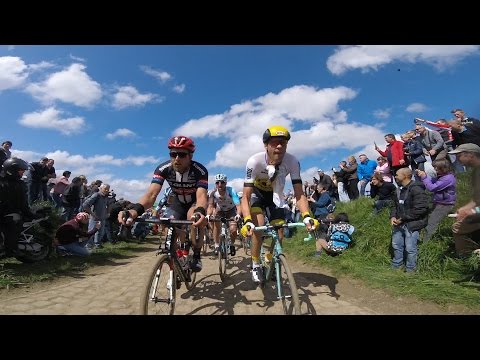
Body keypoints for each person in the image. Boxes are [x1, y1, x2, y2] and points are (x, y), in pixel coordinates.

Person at [240, 125, 319, 284]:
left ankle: (271, 257)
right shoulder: (254, 161)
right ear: (266, 145)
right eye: (274, 142)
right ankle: (255, 262)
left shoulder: (292, 161)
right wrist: (247, 219)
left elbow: (299, 193)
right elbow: (246, 196)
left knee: (280, 232)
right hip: (257, 194)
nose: (279, 146)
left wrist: (306, 216)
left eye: (283, 143)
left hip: (275, 196)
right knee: (258, 228)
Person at [118, 136, 208, 273]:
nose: (177, 158)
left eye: (182, 154)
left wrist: (200, 211)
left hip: (194, 202)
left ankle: (196, 253)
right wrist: (134, 211)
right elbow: (151, 195)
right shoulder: (163, 168)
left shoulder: (200, 170)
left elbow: (201, 196)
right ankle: (179, 256)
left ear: (190, 156)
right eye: (173, 154)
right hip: (177, 201)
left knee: (193, 218)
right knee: (168, 225)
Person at [0, 158, 43, 256]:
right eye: (21, 170)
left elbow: (22, 204)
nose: (23, 173)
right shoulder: (3, 181)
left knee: (13, 221)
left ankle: (11, 248)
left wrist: (29, 214)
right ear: (13, 170)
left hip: (10, 211)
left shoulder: (18, 184)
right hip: (3, 210)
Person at [390, 168, 429, 272]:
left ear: (405, 176)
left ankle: (410, 271)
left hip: (412, 224)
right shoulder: (398, 190)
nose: (395, 176)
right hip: (398, 223)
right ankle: (396, 266)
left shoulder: (417, 189)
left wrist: (402, 218)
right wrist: (393, 216)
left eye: (397, 175)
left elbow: (421, 209)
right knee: (396, 245)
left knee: (410, 248)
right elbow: (394, 205)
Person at [447, 143, 480, 257]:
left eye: (459, 155)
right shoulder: (476, 172)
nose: (457, 159)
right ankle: (467, 259)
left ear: (470, 155)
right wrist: (466, 208)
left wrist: (474, 211)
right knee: (458, 227)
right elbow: (477, 198)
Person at [416, 159, 456, 242]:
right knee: (429, 220)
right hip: (440, 202)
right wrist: (425, 176)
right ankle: (425, 240)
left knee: (431, 223)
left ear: (443, 168)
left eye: (437, 168)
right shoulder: (443, 176)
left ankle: (426, 244)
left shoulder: (447, 179)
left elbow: (432, 187)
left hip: (445, 204)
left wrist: (424, 177)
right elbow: (432, 181)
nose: (435, 170)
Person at [206, 173, 242, 256]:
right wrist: (208, 215)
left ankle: (232, 244)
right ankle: (216, 244)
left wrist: (238, 214)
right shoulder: (213, 193)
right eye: (217, 182)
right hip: (220, 210)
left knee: (233, 229)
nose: (220, 184)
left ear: (226, 183)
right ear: (215, 184)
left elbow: (238, 205)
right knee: (216, 225)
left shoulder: (231, 191)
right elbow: (211, 206)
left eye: (222, 182)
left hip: (231, 210)